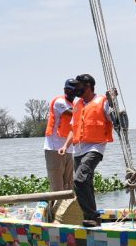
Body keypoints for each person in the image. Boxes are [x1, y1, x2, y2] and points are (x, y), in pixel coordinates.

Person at [59, 73, 114, 227]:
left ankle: (92, 215)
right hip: (78, 149)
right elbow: (72, 128)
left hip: (95, 147)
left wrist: (112, 100)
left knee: (79, 179)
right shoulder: (77, 104)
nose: (75, 89)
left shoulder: (102, 101)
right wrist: (65, 146)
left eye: (78, 86)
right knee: (86, 184)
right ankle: (92, 219)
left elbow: (113, 117)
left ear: (88, 86)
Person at [44, 78, 79, 224]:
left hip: (68, 149)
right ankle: (55, 220)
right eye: (70, 89)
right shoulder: (60, 102)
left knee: (68, 185)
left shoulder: (76, 104)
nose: (73, 92)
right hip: (54, 149)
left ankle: (66, 217)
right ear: (65, 90)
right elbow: (72, 114)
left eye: (75, 90)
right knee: (57, 188)